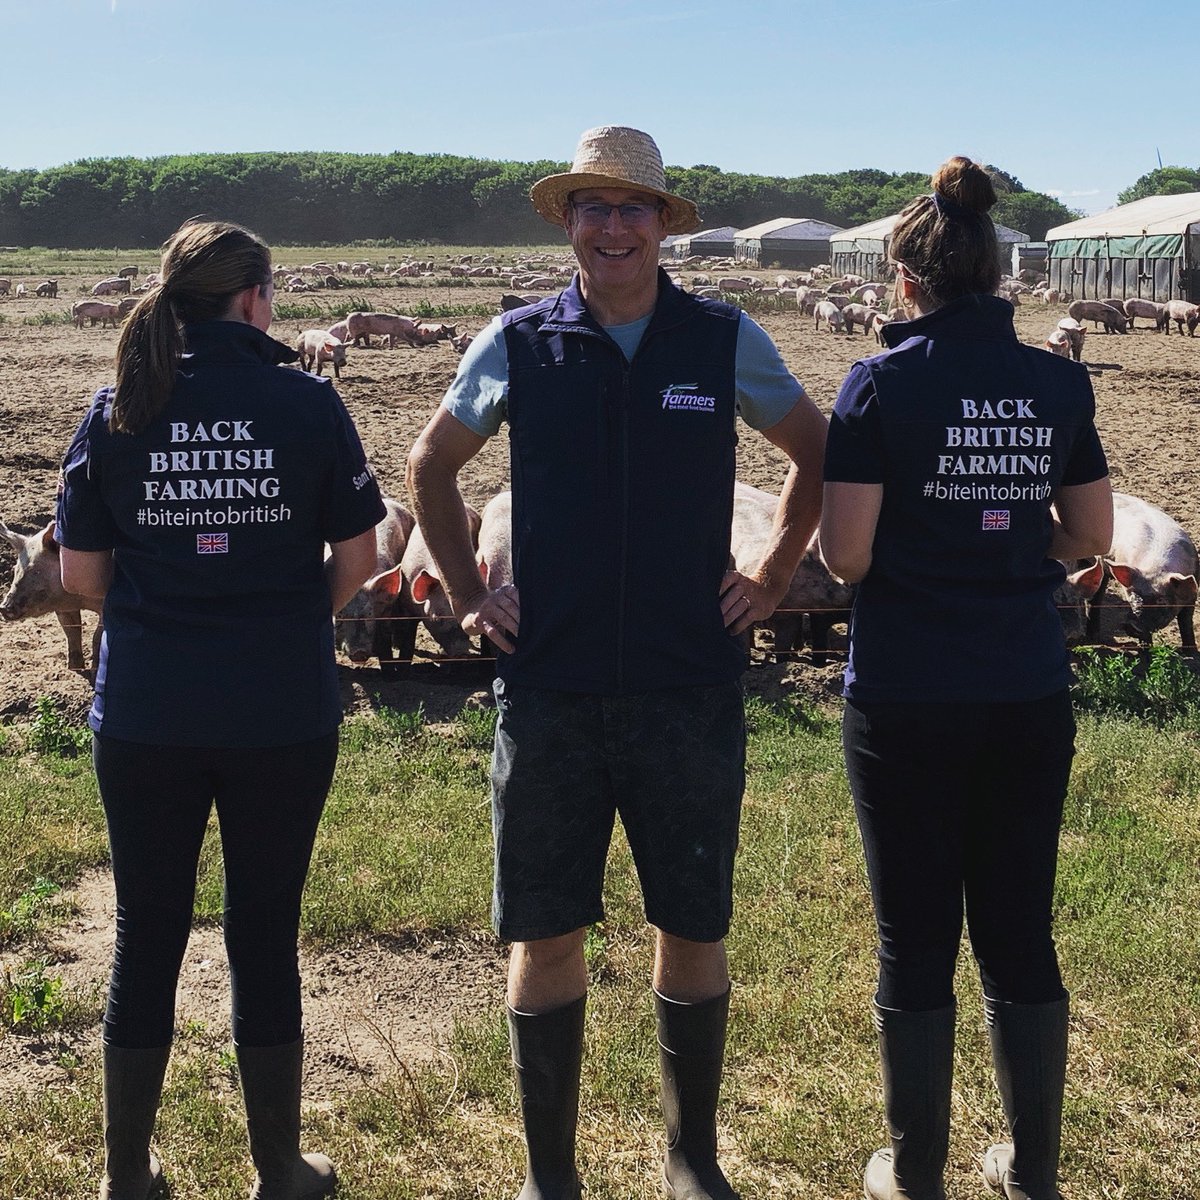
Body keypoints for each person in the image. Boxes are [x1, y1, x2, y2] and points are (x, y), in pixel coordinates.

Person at [406, 125, 827, 1200]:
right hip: (548, 688)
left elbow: (817, 452)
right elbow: (432, 465)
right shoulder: (517, 343)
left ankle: (692, 1158)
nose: (612, 227)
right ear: (566, 223)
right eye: (591, 208)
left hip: (689, 683)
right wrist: (464, 594)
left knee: (691, 924)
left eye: (632, 208)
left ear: (663, 226)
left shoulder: (720, 339)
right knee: (547, 931)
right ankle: (554, 1174)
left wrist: (773, 573)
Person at [56, 219, 385, 1200]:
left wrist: (167, 618)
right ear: (256, 299)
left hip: (148, 713)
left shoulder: (116, 407)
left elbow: (78, 576)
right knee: (262, 930)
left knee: (146, 932)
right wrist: (284, 619)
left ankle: (127, 1176)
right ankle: (279, 1168)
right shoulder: (307, 403)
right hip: (280, 712)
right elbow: (362, 562)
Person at [819, 157, 1113, 1200]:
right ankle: (1032, 1171)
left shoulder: (879, 384)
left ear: (905, 282)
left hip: (907, 690)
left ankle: (918, 1169)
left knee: (916, 933)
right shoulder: (1057, 380)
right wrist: (1002, 557)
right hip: (1024, 685)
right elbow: (1088, 536)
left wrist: (924, 555)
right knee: (1019, 925)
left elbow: (846, 557)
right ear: (1000, 274)